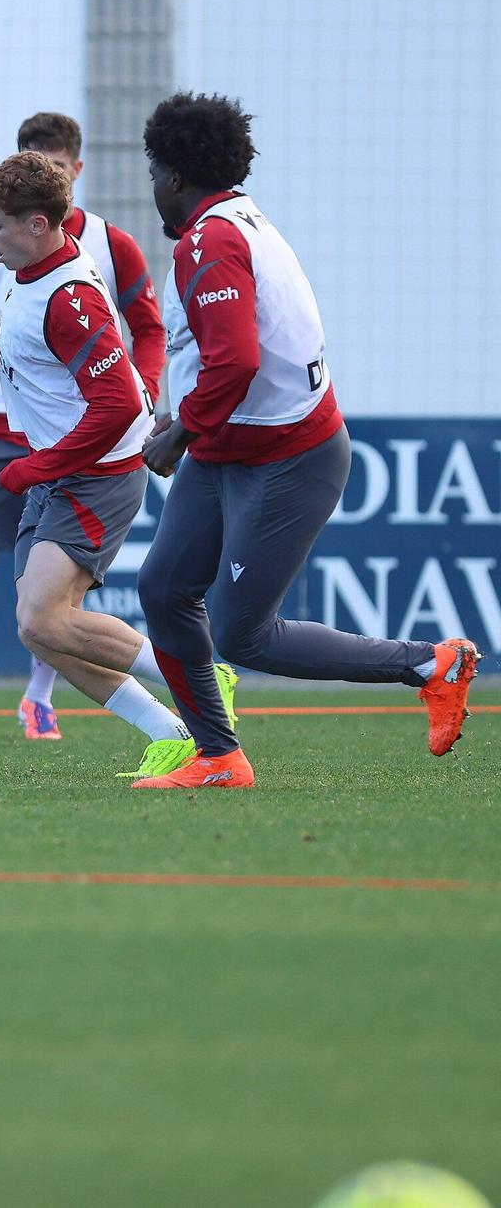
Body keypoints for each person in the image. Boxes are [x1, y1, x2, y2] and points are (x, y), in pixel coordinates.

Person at [131, 92, 477, 788]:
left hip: (288, 457)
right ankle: (218, 756)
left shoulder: (212, 239)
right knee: (165, 588)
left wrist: (181, 434)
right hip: (233, 447)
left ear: (173, 177)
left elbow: (236, 360)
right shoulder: (238, 222)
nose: (154, 189)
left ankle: (430, 664)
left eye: (153, 174)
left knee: (241, 631)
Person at [0, 152, 207, 778]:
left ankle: (202, 673)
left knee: (42, 619)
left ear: (38, 223)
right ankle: (170, 730)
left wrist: (40, 467)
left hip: (98, 477)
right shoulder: (30, 274)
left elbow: (121, 404)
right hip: (66, 472)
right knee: (40, 629)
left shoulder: (70, 295)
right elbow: (8, 341)